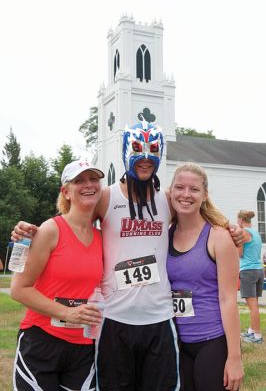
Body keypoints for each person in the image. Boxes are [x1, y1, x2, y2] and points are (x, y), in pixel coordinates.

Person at [11, 121, 243, 391]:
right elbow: (72, 217)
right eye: (137, 150)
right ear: (125, 151)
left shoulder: (166, 199)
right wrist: (27, 231)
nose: (145, 158)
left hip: (159, 318)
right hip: (114, 319)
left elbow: (196, 215)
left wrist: (231, 229)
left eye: (152, 151)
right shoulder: (105, 197)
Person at [10, 160, 105, 390]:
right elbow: (19, 289)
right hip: (42, 341)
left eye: (93, 179)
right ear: (66, 191)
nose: (88, 185)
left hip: (83, 347)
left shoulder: (103, 237)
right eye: (79, 180)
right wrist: (67, 313)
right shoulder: (50, 230)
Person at [167, 163, 244, 391]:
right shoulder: (165, 233)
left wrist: (234, 357)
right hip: (178, 343)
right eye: (180, 187)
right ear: (170, 192)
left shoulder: (219, 237)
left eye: (194, 189)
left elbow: (229, 299)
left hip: (213, 341)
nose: (186, 195)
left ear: (205, 195)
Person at [237, 209, 264, 344]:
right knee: (255, 304)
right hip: (259, 270)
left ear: (241, 220)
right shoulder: (256, 233)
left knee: (252, 306)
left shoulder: (243, 232)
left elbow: (240, 254)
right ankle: (251, 331)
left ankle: (257, 336)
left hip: (248, 271)